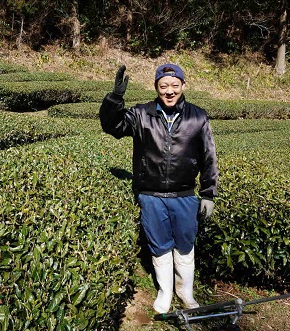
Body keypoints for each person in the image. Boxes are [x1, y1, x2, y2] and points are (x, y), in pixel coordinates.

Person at [99, 64, 218, 314]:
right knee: (160, 245)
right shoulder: (142, 114)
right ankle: (165, 291)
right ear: (156, 88)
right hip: (151, 195)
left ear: (183, 86)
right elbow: (112, 126)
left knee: (185, 244)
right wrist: (115, 98)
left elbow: (209, 156)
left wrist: (208, 193)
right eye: (163, 86)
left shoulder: (198, 117)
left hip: (184, 194)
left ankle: (185, 291)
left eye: (175, 85)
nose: (170, 91)